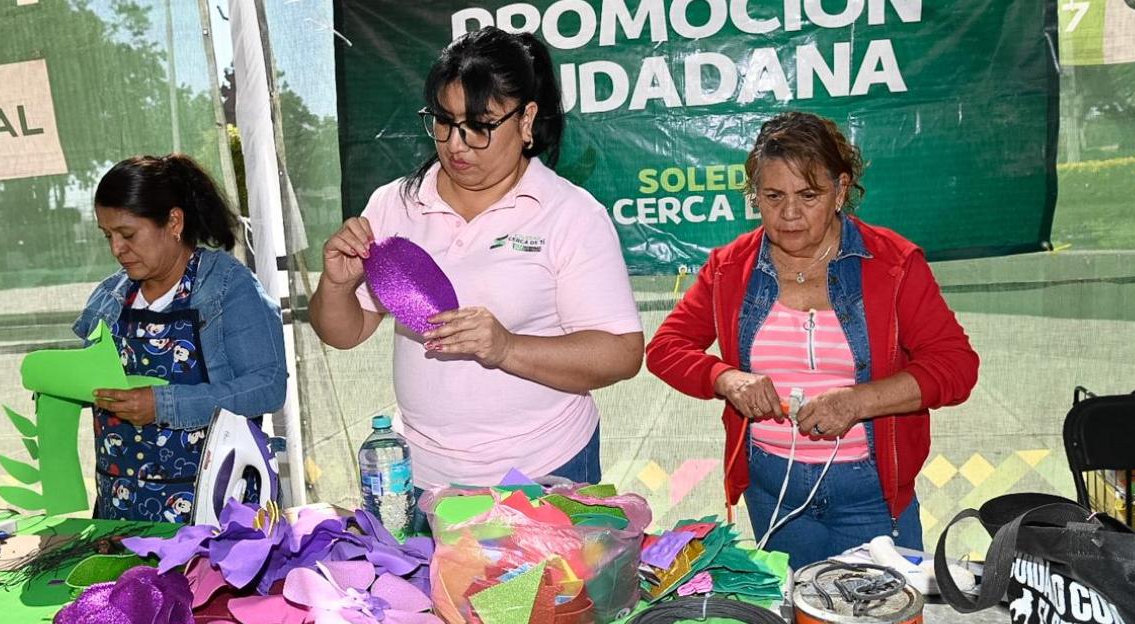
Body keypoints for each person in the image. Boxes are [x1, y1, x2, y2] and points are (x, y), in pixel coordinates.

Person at [310, 27, 643, 491]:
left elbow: (622, 353)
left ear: (526, 119)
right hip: (424, 476)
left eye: (480, 126)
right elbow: (343, 333)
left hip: (545, 468)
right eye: (443, 122)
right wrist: (337, 285)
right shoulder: (396, 204)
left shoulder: (570, 214)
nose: (456, 144)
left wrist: (507, 348)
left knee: (541, 570)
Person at [645, 112, 979, 566]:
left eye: (809, 195)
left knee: (880, 616)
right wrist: (726, 379)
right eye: (773, 196)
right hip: (772, 495)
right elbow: (665, 349)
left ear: (840, 191)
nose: (789, 214)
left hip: (872, 497)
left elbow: (956, 368)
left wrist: (856, 403)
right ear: (755, 196)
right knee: (796, 611)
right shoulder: (730, 267)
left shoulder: (894, 264)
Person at [74, 154, 287, 522]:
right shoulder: (108, 298)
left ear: (174, 222)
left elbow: (267, 386)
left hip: (212, 513)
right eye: (107, 235)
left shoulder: (226, 288)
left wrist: (164, 405)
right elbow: (91, 378)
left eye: (127, 234)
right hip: (121, 510)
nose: (116, 249)